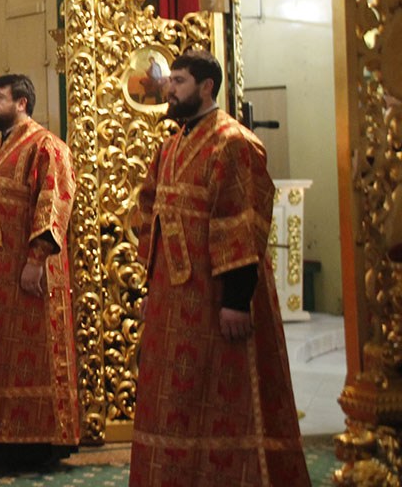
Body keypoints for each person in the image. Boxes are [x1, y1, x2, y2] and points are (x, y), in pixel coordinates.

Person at [129, 49, 309, 485]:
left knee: (224, 393)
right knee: (175, 397)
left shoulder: (234, 143)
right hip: (173, 300)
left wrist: (236, 299)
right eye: (170, 80)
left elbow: (241, 221)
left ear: (207, 87)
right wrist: (152, 284)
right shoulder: (171, 146)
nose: (169, 89)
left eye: (179, 81)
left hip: (216, 297)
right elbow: (150, 212)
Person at [0, 74, 78, 464]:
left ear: (21, 103)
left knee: (31, 353)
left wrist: (36, 259)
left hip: (27, 270)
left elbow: (53, 203)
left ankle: (36, 441)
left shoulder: (47, 146)